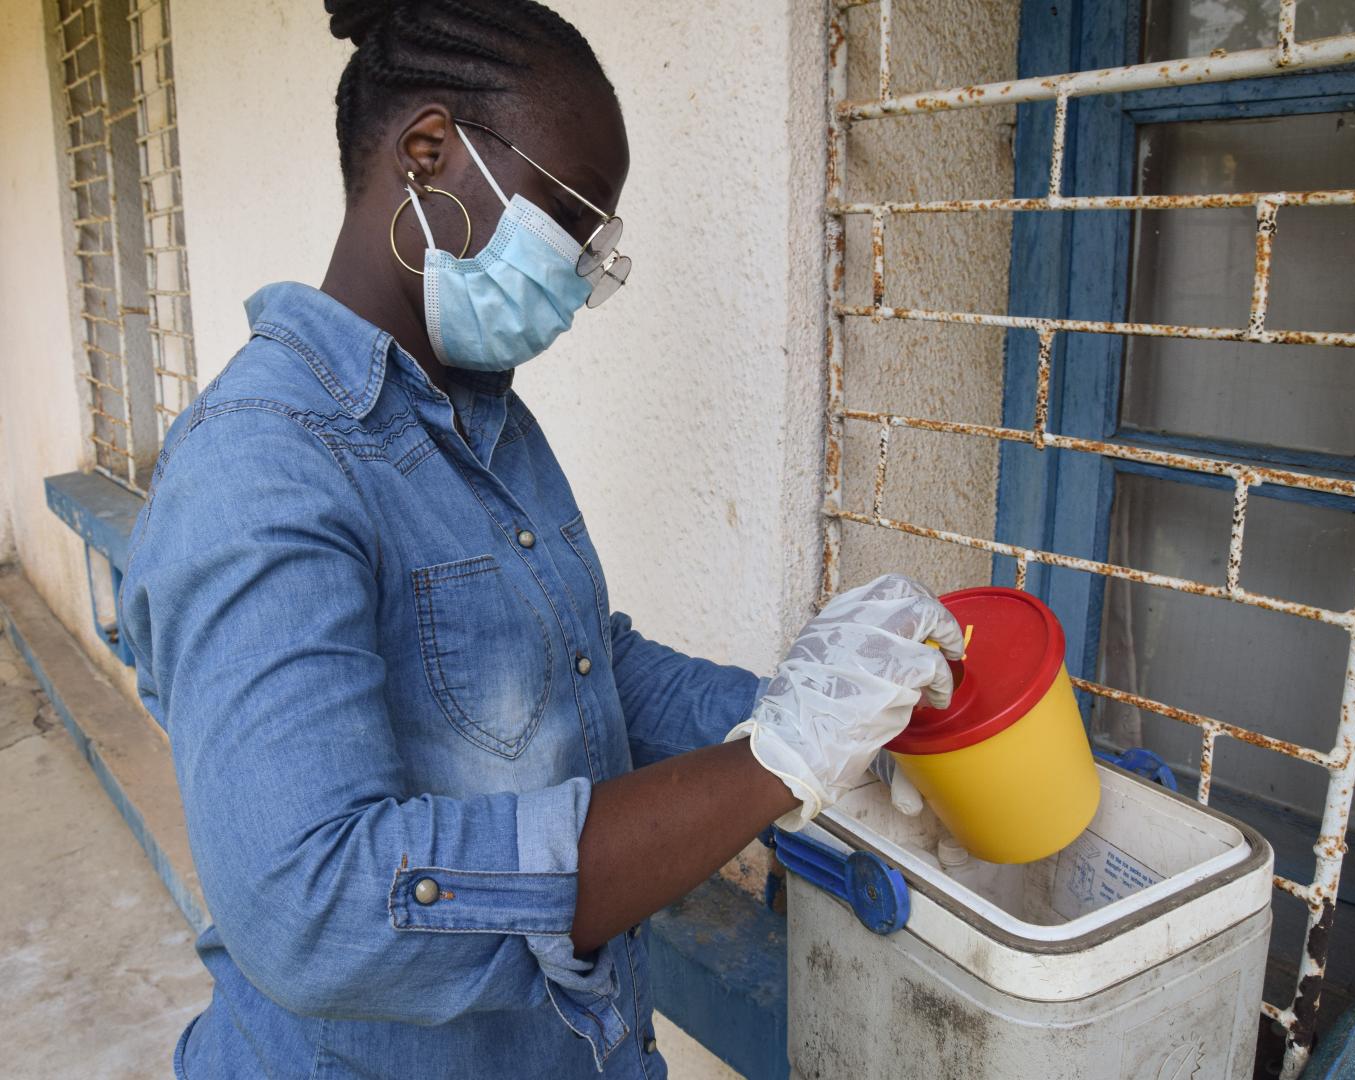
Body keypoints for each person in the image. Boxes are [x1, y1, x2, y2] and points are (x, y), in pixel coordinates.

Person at [118, 2, 963, 1077]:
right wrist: (771, 764)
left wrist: (819, 706)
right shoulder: (256, 467)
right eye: (570, 222)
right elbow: (317, 905)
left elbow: (580, 663)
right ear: (429, 153)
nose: (579, 274)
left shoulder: (489, 420)